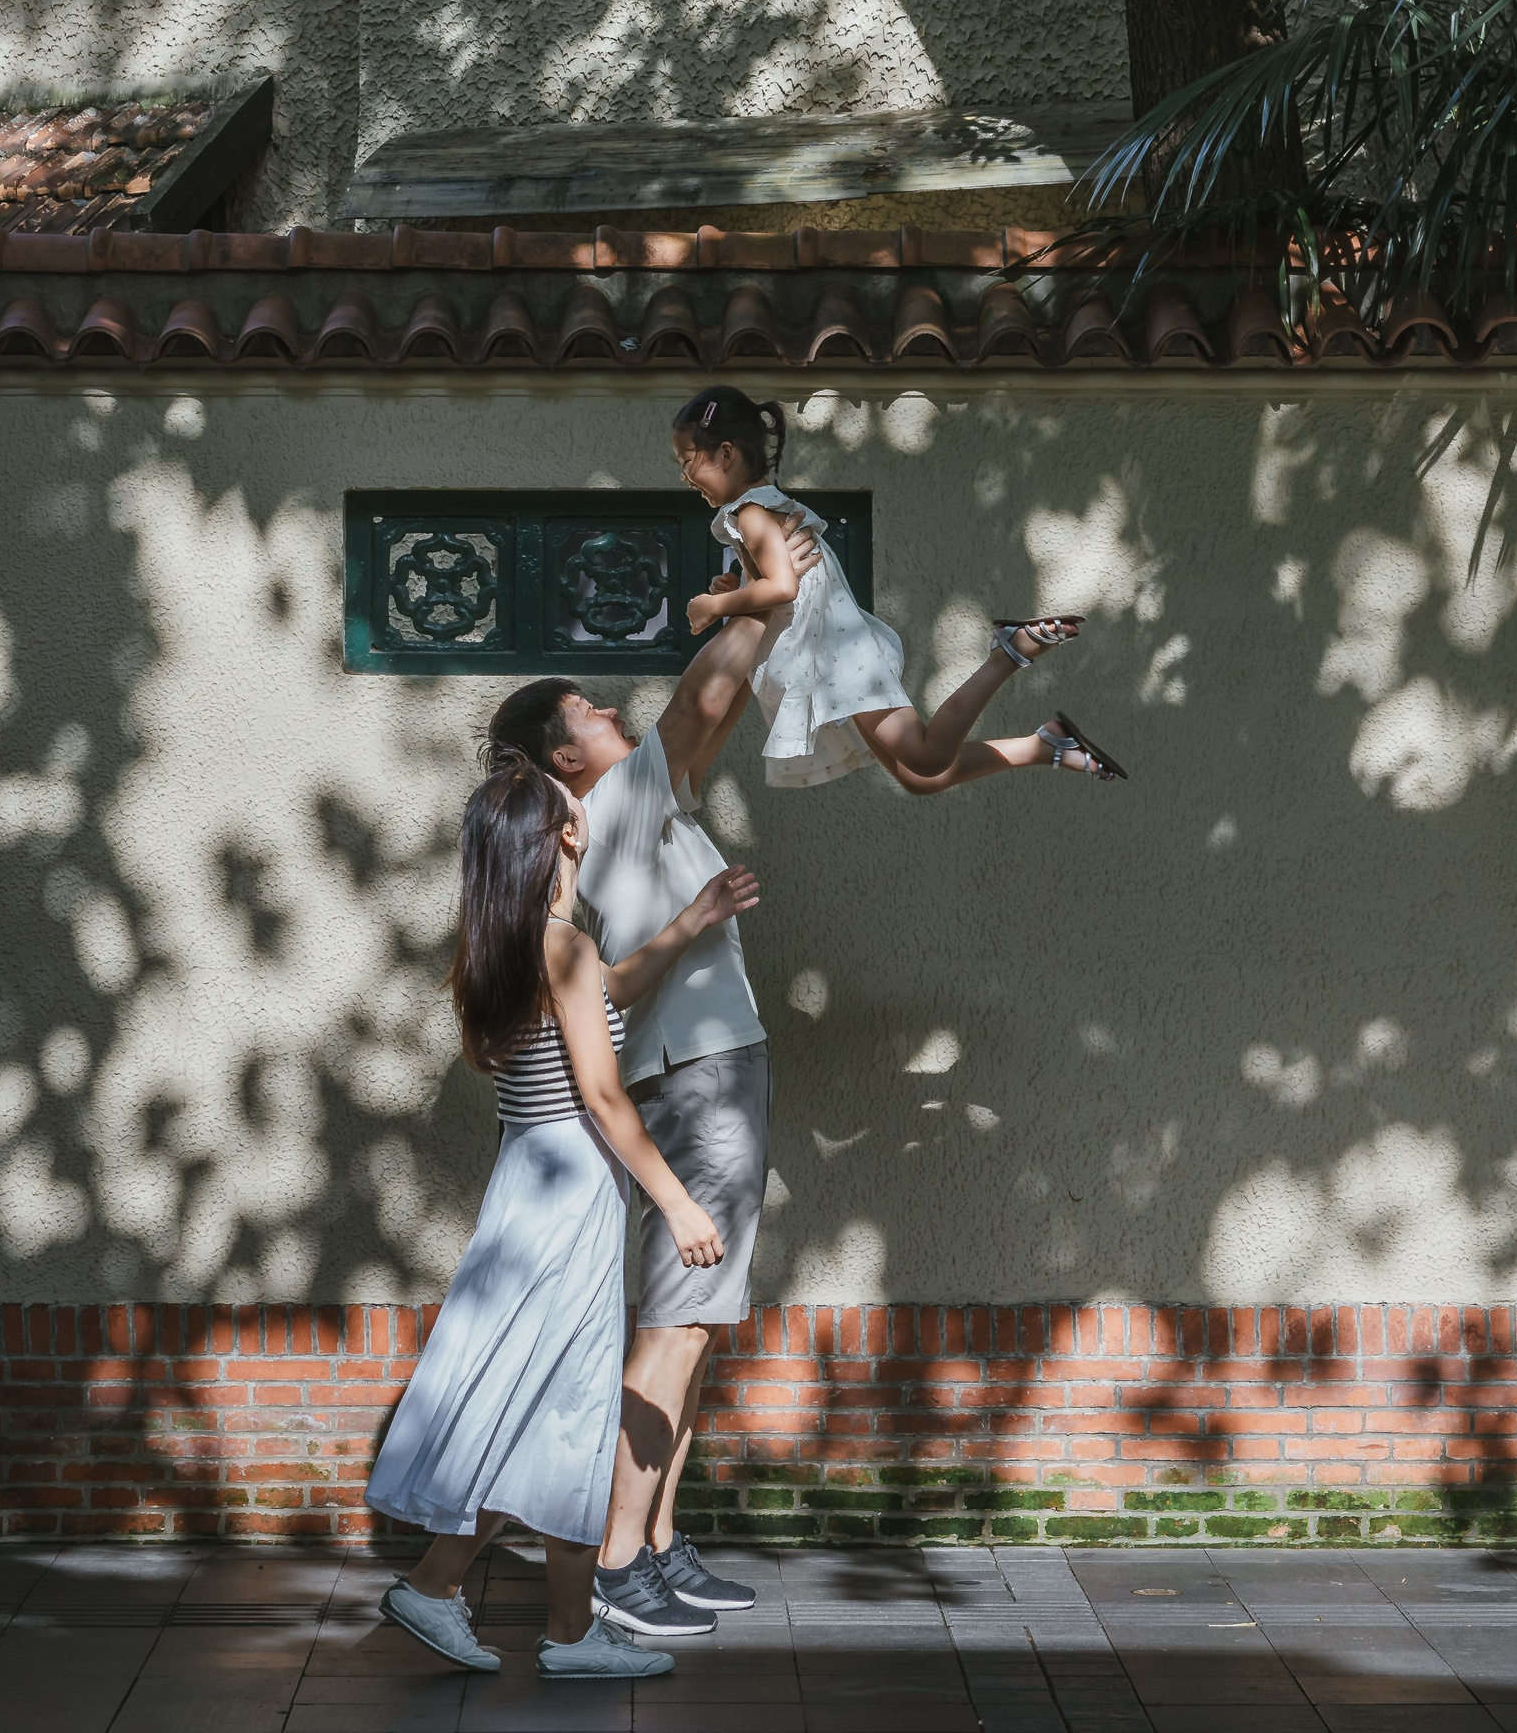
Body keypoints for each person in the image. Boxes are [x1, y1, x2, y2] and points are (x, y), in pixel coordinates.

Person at [368, 754, 760, 1681]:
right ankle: (559, 1629)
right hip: (576, 1183)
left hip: (526, 1175)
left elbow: (607, 1000)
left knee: (543, 1397)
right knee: (571, 1400)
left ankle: (502, 1606)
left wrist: (687, 925)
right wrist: (678, 1201)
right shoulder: (564, 947)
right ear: (568, 836)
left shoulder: (507, 945)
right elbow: (603, 1092)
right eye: (573, 805)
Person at [674, 383, 1128, 790]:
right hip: (831, 651)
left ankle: (1009, 651)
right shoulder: (763, 507)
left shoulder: (749, 512)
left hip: (837, 656)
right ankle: (1045, 746)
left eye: (687, 461)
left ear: (726, 453)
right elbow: (777, 583)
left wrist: (715, 604)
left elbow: (783, 588)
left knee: (926, 757)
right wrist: (738, 588)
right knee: (918, 778)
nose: (684, 476)